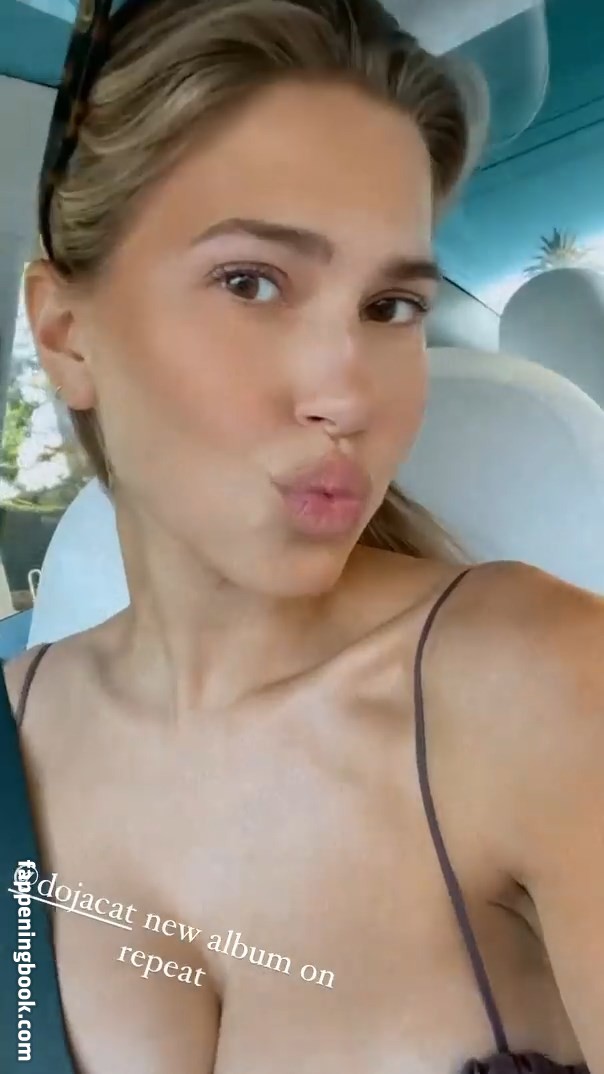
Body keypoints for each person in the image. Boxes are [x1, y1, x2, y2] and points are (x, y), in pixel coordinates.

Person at [1, 0, 602, 1071]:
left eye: (391, 306)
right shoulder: (15, 739)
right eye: (252, 282)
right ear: (67, 332)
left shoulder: (547, 685)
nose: (351, 394)